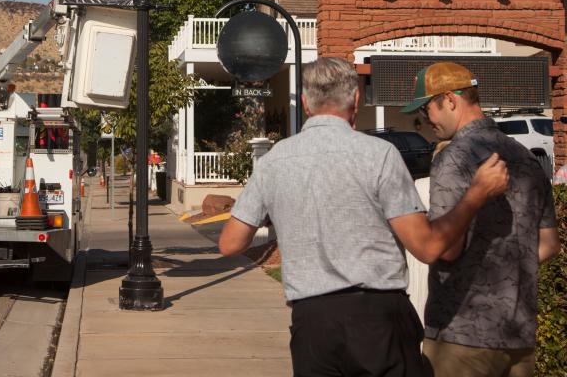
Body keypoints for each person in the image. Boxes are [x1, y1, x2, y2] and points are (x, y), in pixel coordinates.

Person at [219, 57, 509, 377]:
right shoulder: (379, 154)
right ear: (356, 99)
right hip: (378, 317)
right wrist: (476, 195)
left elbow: (231, 243)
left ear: (305, 102)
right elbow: (426, 248)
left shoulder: (274, 161)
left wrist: (280, 212)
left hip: (312, 322)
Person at [401, 62, 560, 376]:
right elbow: (550, 244)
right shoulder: (525, 157)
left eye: (426, 109)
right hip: (518, 333)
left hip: (462, 334)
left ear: (450, 99)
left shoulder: (453, 158)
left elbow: (447, 249)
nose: (424, 120)